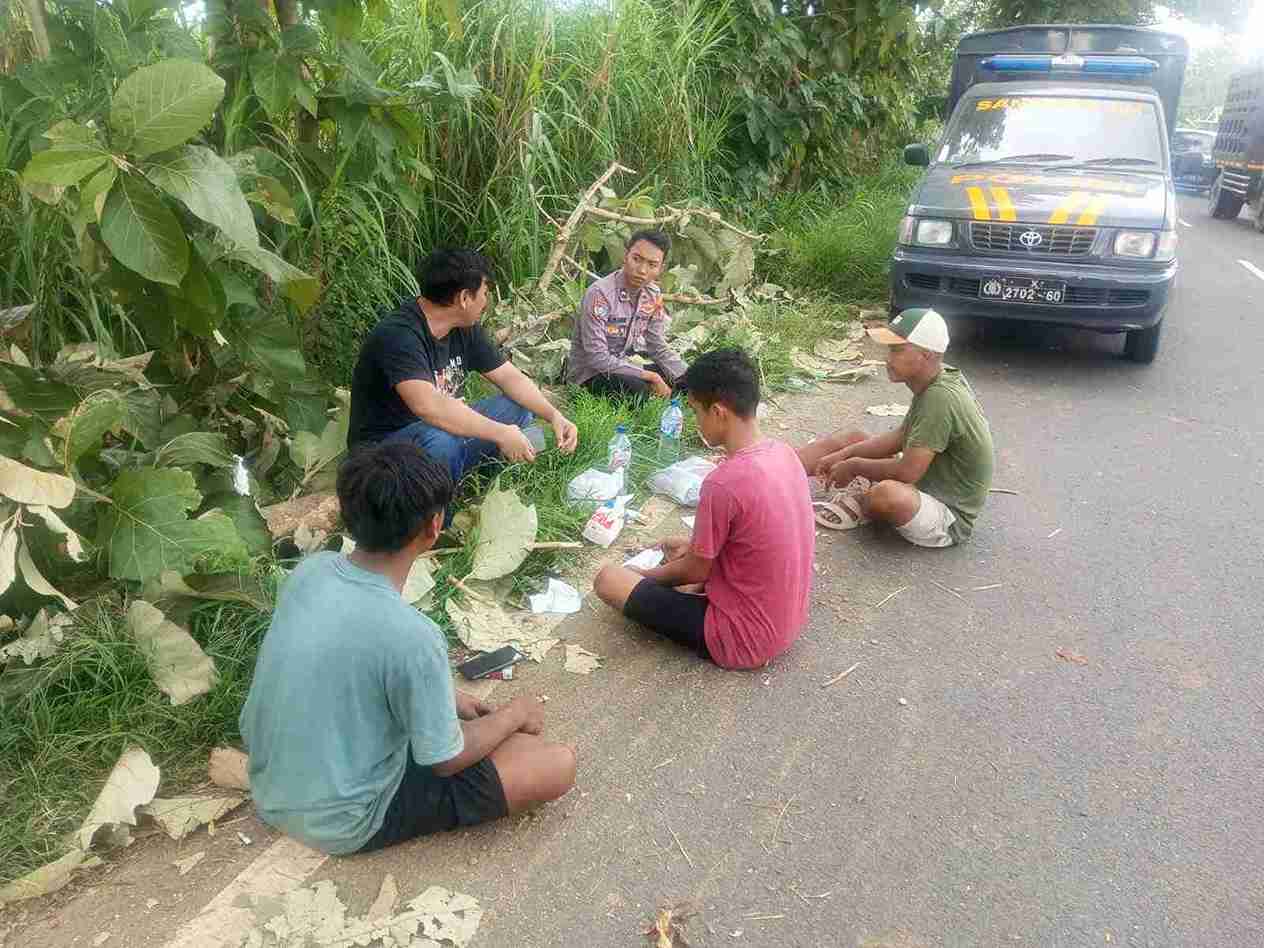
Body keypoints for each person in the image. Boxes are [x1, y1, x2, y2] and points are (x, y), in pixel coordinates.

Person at [239, 441, 577, 855]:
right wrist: (514, 714)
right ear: (434, 527)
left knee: (510, 745)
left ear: (348, 513)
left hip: (271, 787)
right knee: (555, 762)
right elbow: (446, 760)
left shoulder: (310, 572)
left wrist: (448, 697)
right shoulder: (414, 636)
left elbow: (346, 662)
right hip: (343, 819)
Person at [592, 348, 815, 670]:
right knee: (684, 560)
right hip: (786, 622)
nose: (695, 421)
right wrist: (694, 549)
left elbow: (695, 572)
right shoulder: (784, 453)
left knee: (610, 579)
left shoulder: (723, 482)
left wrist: (644, 576)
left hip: (741, 637)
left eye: (696, 411)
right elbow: (755, 538)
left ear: (719, 412)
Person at [347, 249, 579, 484]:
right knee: (442, 441)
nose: (486, 303)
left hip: (439, 432)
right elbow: (430, 407)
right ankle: (437, 504)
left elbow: (510, 378)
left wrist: (554, 415)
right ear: (464, 298)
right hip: (382, 454)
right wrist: (500, 432)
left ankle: (480, 477)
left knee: (517, 407)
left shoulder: (464, 328)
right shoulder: (400, 335)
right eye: (485, 293)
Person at [798, 307, 994, 547]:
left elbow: (908, 472)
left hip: (947, 514)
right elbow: (902, 435)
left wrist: (854, 466)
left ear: (927, 355)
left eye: (897, 350)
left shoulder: (940, 397)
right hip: (920, 484)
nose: (888, 359)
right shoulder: (938, 376)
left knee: (887, 495)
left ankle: (862, 502)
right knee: (853, 439)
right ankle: (777, 472)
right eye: (890, 350)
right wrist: (844, 454)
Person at [565, 230, 688, 399]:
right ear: (625, 256)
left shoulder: (653, 295)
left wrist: (690, 377)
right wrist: (651, 377)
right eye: (636, 259)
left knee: (676, 376)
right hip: (590, 373)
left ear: (661, 268)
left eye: (652, 265)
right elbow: (597, 357)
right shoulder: (600, 294)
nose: (642, 270)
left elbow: (657, 345)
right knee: (637, 389)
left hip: (622, 365)